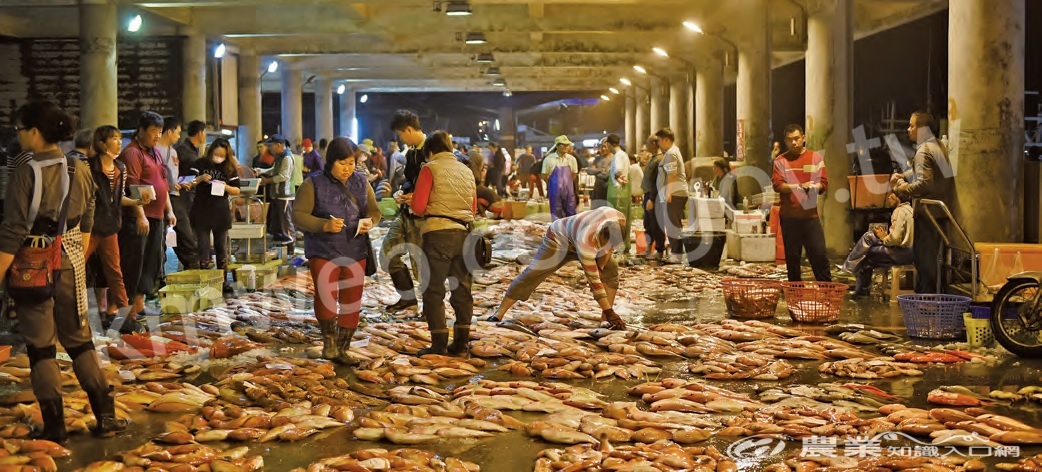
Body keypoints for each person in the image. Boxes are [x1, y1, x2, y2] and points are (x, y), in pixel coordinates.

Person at [0, 100, 127, 442]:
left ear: (35, 132)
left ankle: (55, 428)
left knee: (41, 348)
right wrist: (76, 253)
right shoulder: (79, 167)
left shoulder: (27, 172)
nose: (20, 136)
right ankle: (106, 418)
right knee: (80, 342)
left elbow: (12, 231)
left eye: (20, 130)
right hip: (71, 262)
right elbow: (88, 216)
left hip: (32, 269)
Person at [293, 137, 380, 365]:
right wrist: (323, 225)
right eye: (342, 163)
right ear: (331, 161)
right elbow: (298, 215)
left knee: (352, 300)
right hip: (323, 250)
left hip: (355, 250)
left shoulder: (362, 183)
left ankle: (343, 348)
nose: (347, 168)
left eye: (351, 163)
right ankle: (329, 344)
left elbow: (374, 210)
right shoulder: (313, 183)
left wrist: (370, 221)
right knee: (326, 297)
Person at [488, 206, 628, 330]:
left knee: (611, 270)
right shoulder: (585, 240)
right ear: (600, 236)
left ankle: (605, 321)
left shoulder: (619, 219)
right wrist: (611, 311)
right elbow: (594, 280)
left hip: (586, 239)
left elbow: (608, 251)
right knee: (533, 273)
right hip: (558, 240)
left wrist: (603, 263)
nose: (609, 248)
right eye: (606, 245)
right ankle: (499, 313)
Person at [409, 130, 476, 356]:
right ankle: (461, 343)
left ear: (429, 151)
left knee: (433, 290)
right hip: (464, 234)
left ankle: (438, 344)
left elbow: (418, 207)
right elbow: (472, 209)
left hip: (438, 234)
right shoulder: (467, 171)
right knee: (462, 289)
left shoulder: (430, 168)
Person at [86, 125, 145, 334]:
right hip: (89, 227)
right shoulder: (89, 167)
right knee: (75, 270)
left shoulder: (120, 167)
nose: (119, 142)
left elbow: (117, 200)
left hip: (110, 226)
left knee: (115, 271)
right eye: (114, 138)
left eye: (120, 138)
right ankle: (71, 313)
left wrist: (138, 201)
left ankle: (124, 314)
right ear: (102, 143)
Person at [119, 111, 175, 316]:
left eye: (160, 132)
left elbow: (163, 183)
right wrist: (140, 215)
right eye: (153, 131)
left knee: (151, 261)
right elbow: (131, 185)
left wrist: (169, 210)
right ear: (140, 130)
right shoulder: (132, 153)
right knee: (135, 261)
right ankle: (128, 311)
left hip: (157, 216)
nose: (157, 136)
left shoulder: (155, 152)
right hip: (140, 218)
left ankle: (140, 304)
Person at [891, 111, 954, 294]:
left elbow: (924, 183)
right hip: (940, 212)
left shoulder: (923, 150)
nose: (908, 129)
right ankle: (934, 297)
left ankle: (925, 302)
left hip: (927, 212)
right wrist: (904, 175)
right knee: (936, 258)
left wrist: (901, 189)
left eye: (912, 125)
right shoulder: (938, 146)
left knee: (924, 259)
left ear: (923, 129)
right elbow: (929, 173)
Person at [772, 124, 831, 282]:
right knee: (792, 260)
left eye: (797, 138)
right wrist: (797, 186)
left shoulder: (816, 158)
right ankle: (795, 297)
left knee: (819, 255)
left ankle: (827, 295)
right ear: (785, 141)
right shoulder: (780, 161)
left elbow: (823, 183)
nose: (794, 143)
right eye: (790, 140)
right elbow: (778, 185)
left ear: (803, 138)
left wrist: (814, 186)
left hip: (810, 217)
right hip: (789, 218)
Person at [382, 110, 427, 312]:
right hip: (406, 211)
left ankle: (431, 309)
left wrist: (418, 197)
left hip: (423, 216)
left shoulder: (432, 149)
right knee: (388, 252)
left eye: (401, 134)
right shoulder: (411, 151)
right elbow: (411, 180)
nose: (401, 138)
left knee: (420, 263)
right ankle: (407, 297)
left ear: (408, 129)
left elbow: (440, 183)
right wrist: (403, 192)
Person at [185, 138, 241, 281]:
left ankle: (222, 281)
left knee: (221, 247)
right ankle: (206, 280)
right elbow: (186, 183)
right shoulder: (200, 164)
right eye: (216, 154)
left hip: (221, 212)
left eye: (222, 155)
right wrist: (200, 179)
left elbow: (237, 190)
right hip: (201, 211)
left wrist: (225, 186)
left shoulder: (230, 167)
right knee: (203, 248)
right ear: (210, 152)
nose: (218, 158)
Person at [841, 191, 914, 296]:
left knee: (866, 255)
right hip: (909, 252)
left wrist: (884, 238)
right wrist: (884, 235)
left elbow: (895, 238)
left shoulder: (899, 211)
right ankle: (848, 269)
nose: (888, 197)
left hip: (900, 253)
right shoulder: (910, 210)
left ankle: (858, 288)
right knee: (869, 236)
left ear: (897, 198)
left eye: (891, 195)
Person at [654, 129, 688, 264]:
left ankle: (676, 254)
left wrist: (668, 192)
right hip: (675, 193)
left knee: (673, 224)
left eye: (659, 141)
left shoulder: (671, 154)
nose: (658, 144)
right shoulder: (672, 152)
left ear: (666, 140)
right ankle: (676, 252)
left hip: (674, 194)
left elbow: (671, 174)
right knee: (673, 223)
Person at [257, 134, 295, 244]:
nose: (269, 148)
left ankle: (290, 245)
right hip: (278, 194)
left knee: (285, 222)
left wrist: (267, 181)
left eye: (271, 145)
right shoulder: (280, 157)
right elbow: (275, 170)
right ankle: (281, 245)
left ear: (279, 145)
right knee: (278, 222)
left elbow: (284, 176)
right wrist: (263, 171)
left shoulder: (287, 157)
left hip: (285, 195)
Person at [605, 134, 632, 254]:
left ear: (610, 144)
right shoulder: (623, 154)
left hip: (617, 192)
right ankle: (624, 245)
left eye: (607, 145)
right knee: (623, 219)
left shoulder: (618, 156)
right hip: (622, 191)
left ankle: (618, 246)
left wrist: (617, 176)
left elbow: (618, 171)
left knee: (616, 220)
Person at [542, 135, 579, 220]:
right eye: (563, 144)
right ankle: (557, 232)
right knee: (556, 214)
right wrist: (552, 183)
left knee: (571, 214)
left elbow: (574, 173)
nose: (566, 147)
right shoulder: (548, 159)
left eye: (567, 145)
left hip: (569, 192)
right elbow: (544, 175)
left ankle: (569, 232)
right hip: (554, 191)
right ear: (557, 146)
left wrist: (567, 183)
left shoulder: (572, 159)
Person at [640, 135, 665, 259]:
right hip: (647, 194)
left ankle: (659, 250)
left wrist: (652, 198)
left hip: (654, 195)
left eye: (648, 143)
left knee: (656, 223)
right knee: (648, 223)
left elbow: (658, 182)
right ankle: (649, 246)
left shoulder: (659, 160)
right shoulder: (653, 158)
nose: (647, 146)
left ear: (655, 144)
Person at [588, 140, 611, 208]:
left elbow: (607, 175)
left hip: (608, 188)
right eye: (602, 147)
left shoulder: (613, 158)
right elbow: (589, 171)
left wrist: (596, 171)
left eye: (605, 147)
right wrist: (601, 170)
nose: (603, 149)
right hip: (597, 188)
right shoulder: (597, 159)